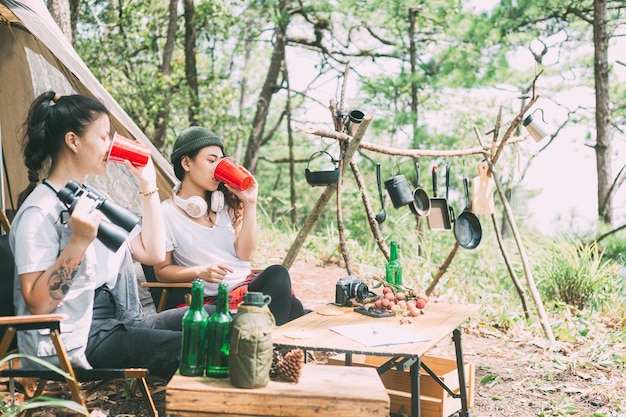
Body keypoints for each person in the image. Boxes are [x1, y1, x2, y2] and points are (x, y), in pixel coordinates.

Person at [9, 91, 208, 380]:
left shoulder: (92, 198)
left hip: (120, 322)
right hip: (77, 338)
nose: (110, 146)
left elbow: (151, 253)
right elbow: (39, 304)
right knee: (193, 345)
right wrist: (77, 243)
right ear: (73, 141)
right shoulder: (39, 211)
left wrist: (148, 184)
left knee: (216, 324)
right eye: (103, 137)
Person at [154, 126, 305, 325]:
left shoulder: (226, 203)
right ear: (186, 162)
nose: (217, 168)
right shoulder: (166, 213)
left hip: (247, 288)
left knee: (279, 276)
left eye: (221, 161)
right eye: (211, 160)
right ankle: (268, 349)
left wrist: (250, 203)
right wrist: (200, 272)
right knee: (292, 309)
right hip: (216, 299)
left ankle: (265, 348)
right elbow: (161, 270)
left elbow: (245, 254)